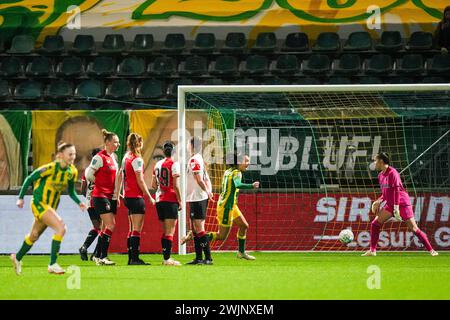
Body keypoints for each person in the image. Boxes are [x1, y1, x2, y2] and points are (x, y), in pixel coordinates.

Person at [10, 142, 87, 275]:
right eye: (70, 154)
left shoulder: (71, 171)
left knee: (33, 236)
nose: (73, 157)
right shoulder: (50, 168)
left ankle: (17, 258)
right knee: (61, 227)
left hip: (50, 207)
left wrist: (79, 202)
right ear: (61, 155)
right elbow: (29, 178)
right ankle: (52, 264)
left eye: (74, 154)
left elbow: (71, 192)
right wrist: (21, 197)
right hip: (39, 203)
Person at [362, 152, 438, 257]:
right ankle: (372, 250)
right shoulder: (380, 175)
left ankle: (432, 251)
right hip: (390, 205)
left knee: (414, 229)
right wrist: (378, 201)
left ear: (381, 161)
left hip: (402, 204)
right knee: (375, 224)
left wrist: (396, 208)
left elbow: (397, 191)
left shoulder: (393, 173)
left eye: (376, 160)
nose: (374, 163)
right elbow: (385, 193)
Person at [207, 152, 260, 260]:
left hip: (231, 205)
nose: (248, 163)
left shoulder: (228, 171)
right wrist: (251, 185)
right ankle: (197, 236)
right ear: (239, 162)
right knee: (221, 236)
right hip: (226, 207)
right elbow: (238, 184)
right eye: (246, 161)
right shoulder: (237, 173)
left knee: (244, 225)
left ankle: (241, 253)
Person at [115, 133, 155, 265]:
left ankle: (131, 258)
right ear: (139, 144)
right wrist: (149, 196)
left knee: (132, 228)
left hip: (127, 196)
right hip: (136, 197)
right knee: (137, 229)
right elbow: (140, 180)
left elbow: (120, 174)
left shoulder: (126, 157)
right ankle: (135, 259)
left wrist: (119, 192)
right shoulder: (137, 159)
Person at [85, 129, 120, 266]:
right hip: (100, 196)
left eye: (118, 142)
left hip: (109, 196)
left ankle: (99, 256)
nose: (118, 144)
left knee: (107, 226)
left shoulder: (113, 158)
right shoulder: (99, 157)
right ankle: (102, 256)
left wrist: (117, 192)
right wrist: (99, 184)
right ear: (107, 142)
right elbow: (89, 174)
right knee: (110, 225)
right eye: (115, 142)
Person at [181, 136, 214, 265]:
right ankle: (199, 257)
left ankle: (208, 258)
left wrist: (206, 191)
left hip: (198, 197)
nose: (188, 147)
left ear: (192, 146)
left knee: (199, 227)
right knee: (195, 228)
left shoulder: (194, 160)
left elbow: (199, 179)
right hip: (197, 197)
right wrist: (208, 191)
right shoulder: (199, 158)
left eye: (189, 144)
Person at [151, 141, 182, 266]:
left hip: (160, 200)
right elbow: (175, 184)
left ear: (163, 152)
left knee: (165, 231)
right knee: (170, 231)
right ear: (173, 151)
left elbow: (153, 185)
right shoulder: (174, 164)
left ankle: (166, 258)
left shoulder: (157, 164)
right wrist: (179, 200)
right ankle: (167, 259)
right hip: (170, 199)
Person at [78, 148, 102, 261]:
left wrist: (88, 197)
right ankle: (96, 255)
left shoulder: (87, 171)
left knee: (97, 227)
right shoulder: (101, 171)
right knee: (103, 228)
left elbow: (82, 190)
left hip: (89, 203)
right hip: (100, 200)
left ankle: (84, 247)